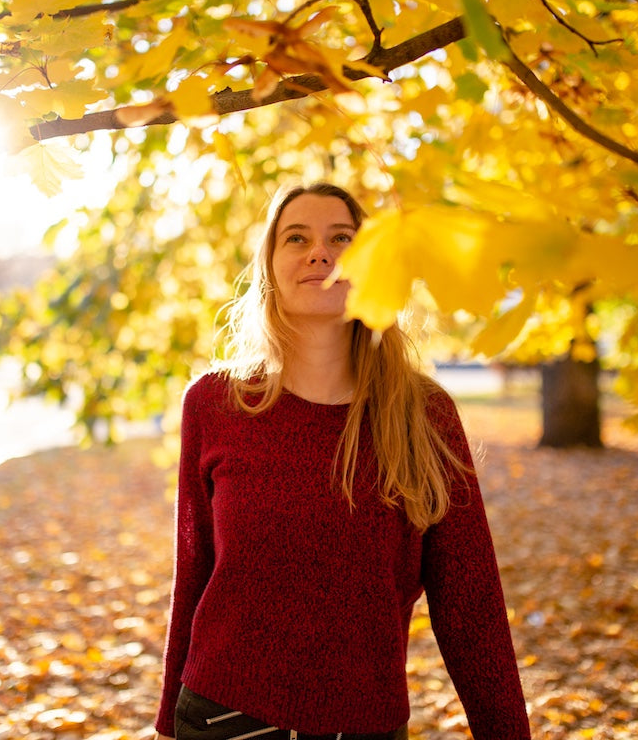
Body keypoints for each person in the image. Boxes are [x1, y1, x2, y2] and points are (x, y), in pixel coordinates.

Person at [153, 183, 530, 740]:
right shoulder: (215, 403)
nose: (319, 252)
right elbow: (196, 574)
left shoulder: (423, 415)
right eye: (296, 237)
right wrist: (165, 724)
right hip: (221, 717)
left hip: (367, 724)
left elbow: (470, 606)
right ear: (270, 267)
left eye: (342, 239)